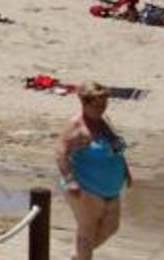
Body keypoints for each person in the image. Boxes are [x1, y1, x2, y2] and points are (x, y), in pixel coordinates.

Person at [56, 82, 132, 260]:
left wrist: (126, 170)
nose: (101, 109)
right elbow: (60, 154)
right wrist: (70, 179)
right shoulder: (76, 126)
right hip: (86, 188)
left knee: (111, 227)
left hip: (111, 187)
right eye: (96, 105)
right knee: (87, 230)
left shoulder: (104, 120)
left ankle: (78, 255)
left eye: (104, 104)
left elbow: (116, 147)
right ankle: (82, 255)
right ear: (84, 103)